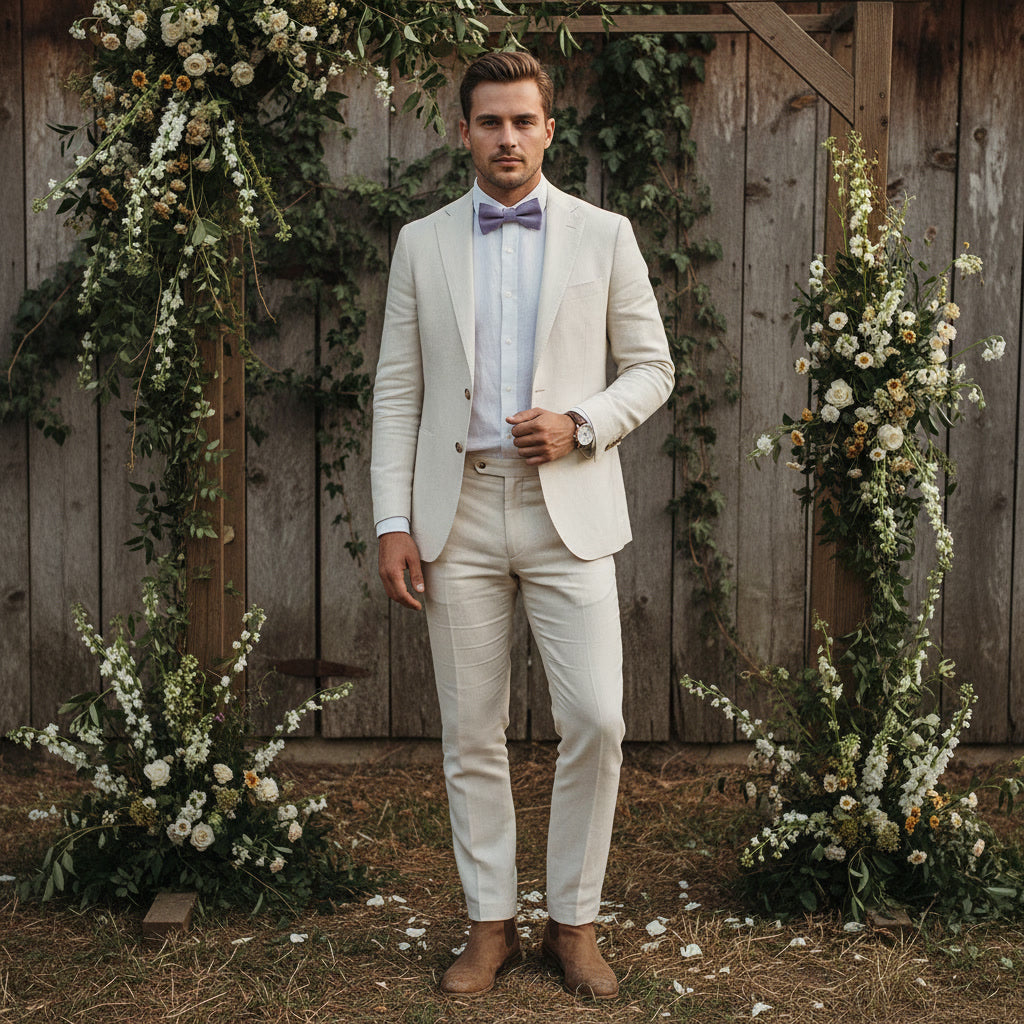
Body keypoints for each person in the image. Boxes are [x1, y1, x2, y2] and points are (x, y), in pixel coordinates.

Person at [370, 50, 673, 1000]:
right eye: (489, 122)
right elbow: (396, 394)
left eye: (523, 122)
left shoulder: (604, 234)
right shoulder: (421, 243)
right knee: (471, 731)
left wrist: (581, 423)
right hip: (454, 513)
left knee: (597, 720)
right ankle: (489, 924)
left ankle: (573, 924)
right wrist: (391, 520)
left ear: (550, 129)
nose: (507, 138)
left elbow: (653, 368)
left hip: (568, 511)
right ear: (462, 131)